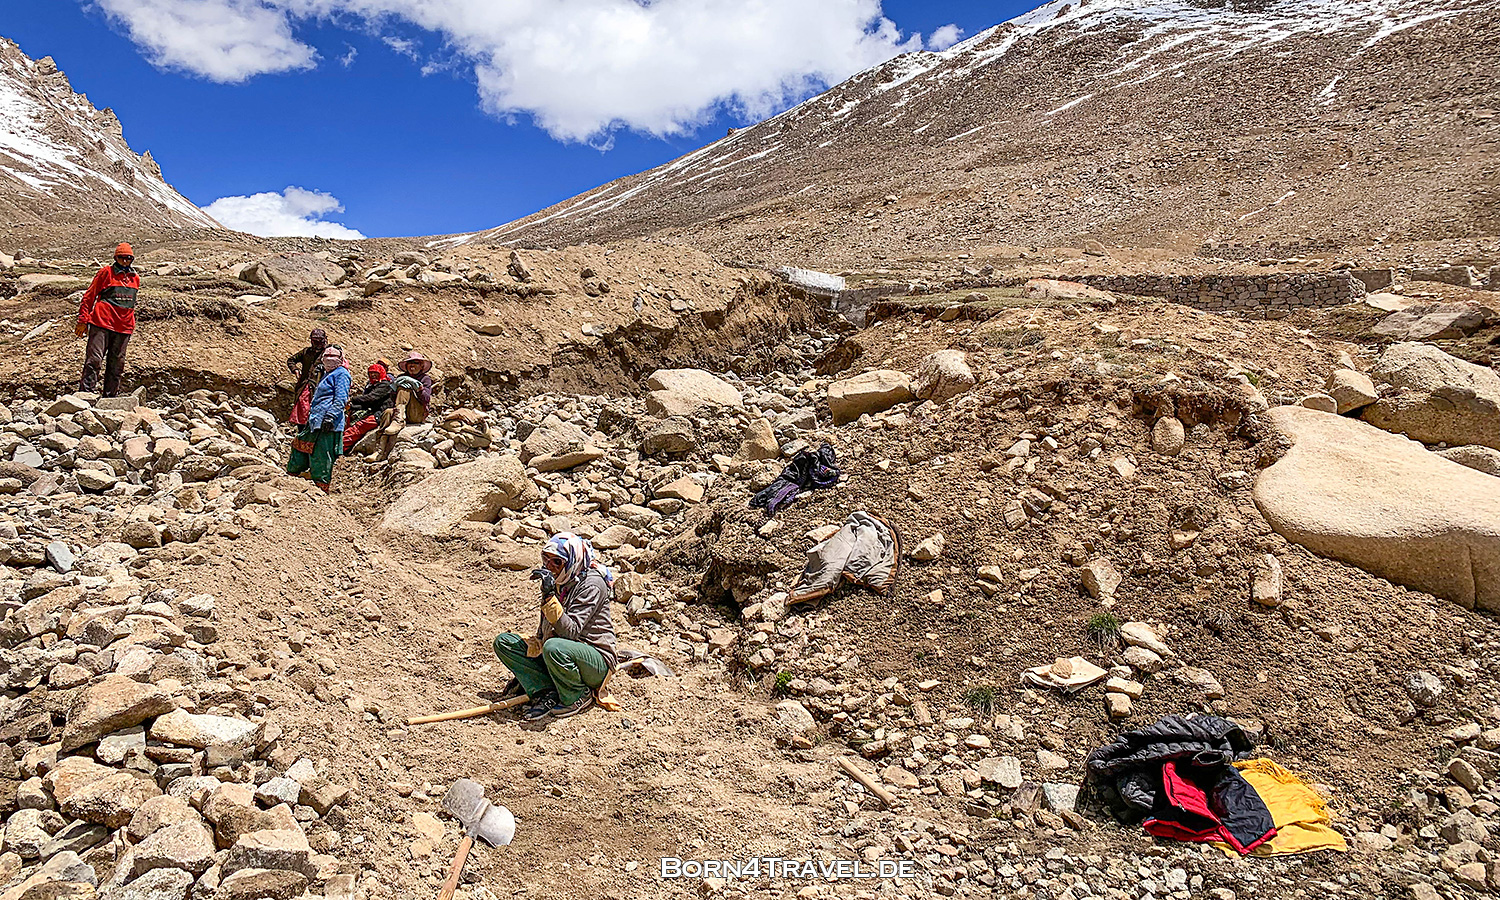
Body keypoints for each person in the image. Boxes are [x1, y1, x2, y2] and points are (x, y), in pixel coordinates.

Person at [493, 533, 617, 721]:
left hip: (594, 659)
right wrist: (526, 669)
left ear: (571, 562)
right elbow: (546, 625)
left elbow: (570, 632)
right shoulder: (562, 580)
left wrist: (549, 597)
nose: (549, 567)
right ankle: (545, 689)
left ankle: (577, 694)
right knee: (505, 642)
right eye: (546, 560)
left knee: (554, 647)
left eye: (557, 562)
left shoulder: (592, 584)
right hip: (560, 650)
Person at [75, 243, 140, 397]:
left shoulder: (135, 278)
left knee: (117, 364)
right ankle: (85, 395)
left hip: (124, 327)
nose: (125, 261)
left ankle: (110, 397)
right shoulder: (105, 273)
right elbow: (89, 296)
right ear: (116, 258)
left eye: (128, 258)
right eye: (122, 258)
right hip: (101, 323)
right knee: (94, 360)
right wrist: (83, 320)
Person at [287, 345, 351, 493]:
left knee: (322, 454)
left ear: (340, 359)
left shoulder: (341, 374)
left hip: (328, 421)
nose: (329, 359)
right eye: (326, 356)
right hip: (316, 420)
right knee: (300, 445)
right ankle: (294, 475)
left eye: (333, 357)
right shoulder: (328, 373)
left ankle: (320, 486)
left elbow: (340, 399)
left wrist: (330, 416)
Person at [371, 350, 435, 461]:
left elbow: (426, 399)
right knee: (387, 413)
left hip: (416, 413)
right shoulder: (401, 377)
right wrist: (394, 388)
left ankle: (398, 420)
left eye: (416, 363)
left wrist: (418, 388)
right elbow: (392, 398)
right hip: (402, 411)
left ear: (421, 366)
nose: (412, 366)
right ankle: (379, 451)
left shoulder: (425, 379)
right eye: (410, 363)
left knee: (405, 388)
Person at [343, 359, 394, 454]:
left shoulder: (385, 385)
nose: (373, 376)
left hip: (380, 413)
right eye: (371, 374)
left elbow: (371, 398)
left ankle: (342, 446)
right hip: (370, 410)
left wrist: (352, 400)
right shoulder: (371, 385)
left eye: (376, 373)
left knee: (359, 426)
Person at [285, 329, 328, 426]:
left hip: (321, 388)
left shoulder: (328, 354)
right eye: (315, 341)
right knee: (302, 410)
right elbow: (291, 360)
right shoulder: (306, 352)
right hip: (304, 386)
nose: (318, 343)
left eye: (319, 341)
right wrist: (295, 370)